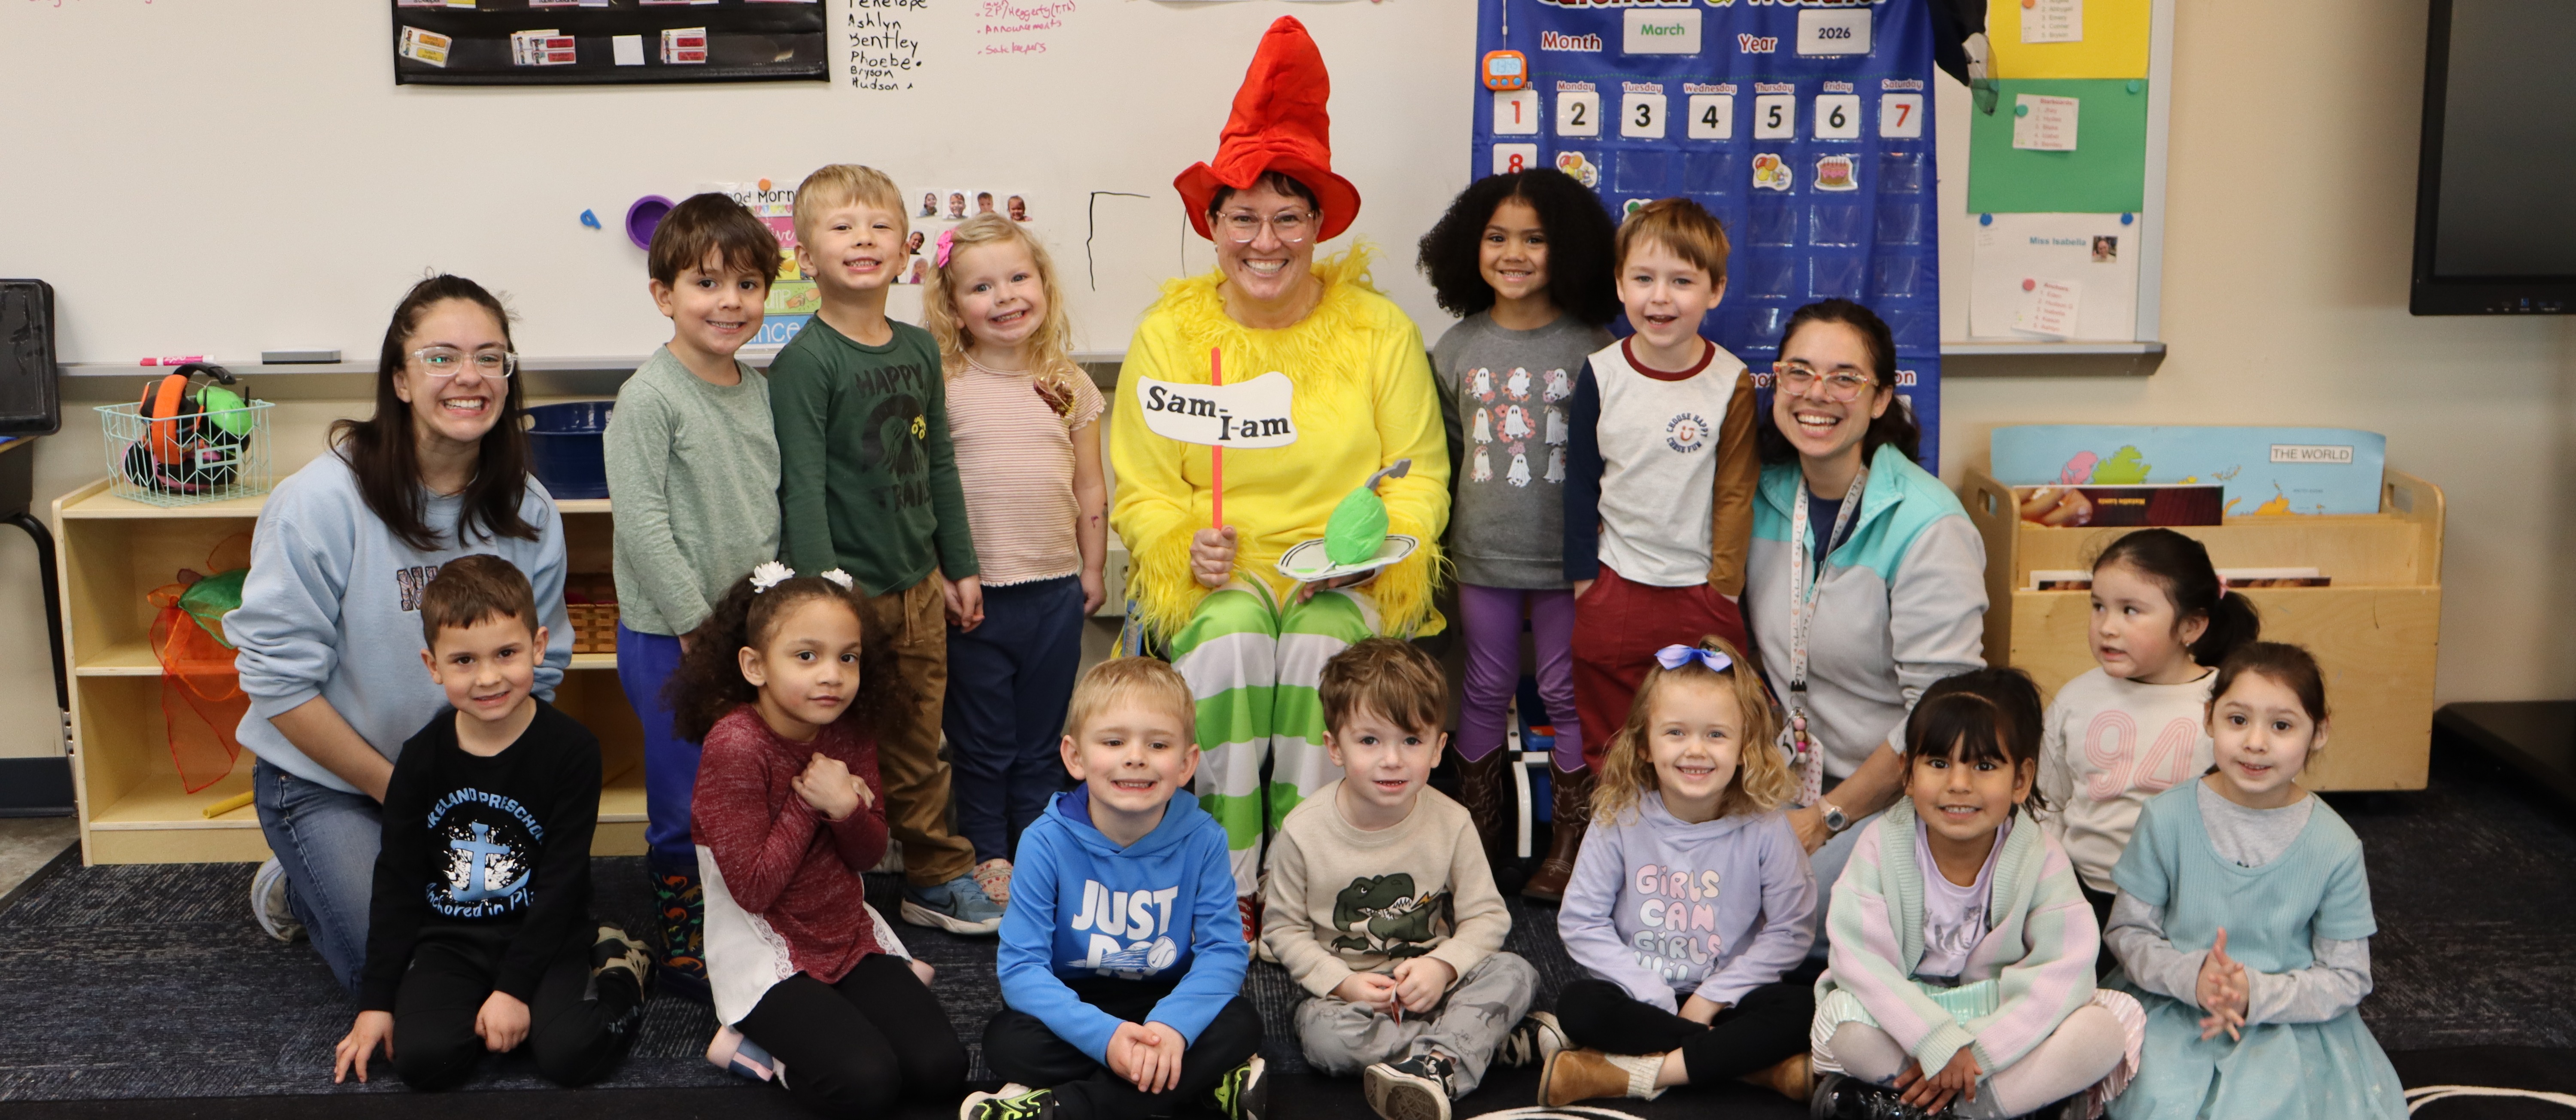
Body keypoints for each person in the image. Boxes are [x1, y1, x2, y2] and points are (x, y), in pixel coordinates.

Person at [1111, 16, 1449, 919]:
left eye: (1288, 216)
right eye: (1244, 217)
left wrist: (1380, 546)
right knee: (1227, 643)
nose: (1267, 240)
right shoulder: (1169, 336)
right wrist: (1183, 542)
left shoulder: (1379, 331)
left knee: (1317, 653)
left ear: (1317, 227)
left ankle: (1311, 878)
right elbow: (1142, 484)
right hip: (1220, 573)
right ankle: (1230, 880)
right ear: (1212, 225)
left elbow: (1417, 471)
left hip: (1340, 569)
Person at [229, 275, 572, 992]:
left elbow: (538, 673)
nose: (470, 377)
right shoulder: (319, 503)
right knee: (413, 982)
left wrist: (484, 790)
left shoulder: (529, 508)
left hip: (467, 775)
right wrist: (408, 797)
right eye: (441, 357)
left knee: (516, 961)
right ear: (400, 379)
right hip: (330, 783)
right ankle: (295, 883)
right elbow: (279, 686)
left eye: (491, 357)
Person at [771, 163, 1001, 934]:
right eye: (841, 228)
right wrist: (826, 602)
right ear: (805, 256)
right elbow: (802, 488)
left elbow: (936, 463)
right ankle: (829, 885)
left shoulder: (918, 347)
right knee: (835, 745)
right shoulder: (807, 362)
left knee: (918, 744)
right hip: (847, 600)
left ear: (906, 248)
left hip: (919, 587)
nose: (862, 240)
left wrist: (959, 564)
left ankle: (934, 877)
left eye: (877, 227)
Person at [330, 557, 649, 1089]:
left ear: (539, 646)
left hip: (547, 934)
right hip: (451, 940)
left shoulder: (572, 751)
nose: (488, 677)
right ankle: (484, 1006)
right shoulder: (420, 758)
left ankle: (623, 967)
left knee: (570, 1055)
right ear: (433, 666)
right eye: (463, 661)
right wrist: (377, 1002)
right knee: (423, 1062)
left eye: (507, 653)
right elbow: (397, 880)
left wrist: (515, 989)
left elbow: (561, 882)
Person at [669, 564, 967, 1117]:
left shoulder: (847, 727)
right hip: (766, 945)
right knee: (869, 1084)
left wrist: (848, 810)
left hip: (843, 931)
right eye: (806, 656)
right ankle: (757, 1049)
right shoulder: (735, 746)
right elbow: (754, 890)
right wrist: (812, 803)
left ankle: (858, 1003)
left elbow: (868, 853)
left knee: (942, 1071)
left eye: (847, 657)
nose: (832, 675)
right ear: (755, 666)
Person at [1741, 299, 1986, 940]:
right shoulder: (1756, 494)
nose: (1817, 394)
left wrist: (1825, 819)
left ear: (1881, 401)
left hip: (1892, 796)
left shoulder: (1928, 525)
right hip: (1781, 778)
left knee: (1781, 920)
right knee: (1675, 899)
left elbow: (1939, 713)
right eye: (1799, 372)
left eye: (1845, 378)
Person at [1808, 669, 2141, 1120]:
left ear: (2021, 780)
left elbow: (2063, 970)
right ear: (1907, 774)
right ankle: (2007, 1107)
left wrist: (1980, 1052)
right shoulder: (1881, 845)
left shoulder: (2040, 855)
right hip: (1911, 1016)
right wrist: (1935, 1042)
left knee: (2106, 1029)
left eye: (1984, 766)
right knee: (1842, 1021)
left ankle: (1950, 1110)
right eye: (1939, 763)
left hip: (2000, 1016)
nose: (1959, 784)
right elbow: (1861, 961)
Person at [604, 192, 785, 1001]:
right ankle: (685, 940)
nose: (730, 302)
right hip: (672, 633)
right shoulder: (650, 397)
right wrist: (693, 622)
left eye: (748, 284)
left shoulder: (757, 387)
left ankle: (744, 917)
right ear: (663, 295)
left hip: (749, 630)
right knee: (684, 794)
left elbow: (765, 503)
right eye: (707, 283)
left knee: (749, 780)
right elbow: (642, 522)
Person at [1415, 168, 1618, 888]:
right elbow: (1444, 453)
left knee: (1566, 693)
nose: (1515, 253)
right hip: (1482, 556)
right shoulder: (1456, 347)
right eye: (1497, 237)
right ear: (1470, 247)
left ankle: (1570, 847)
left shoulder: (1595, 347)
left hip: (1571, 562)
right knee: (1481, 690)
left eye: (1535, 239)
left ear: (1567, 249)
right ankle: (1478, 843)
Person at [1555, 198, 1759, 901]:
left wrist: (1723, 589)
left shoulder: (1728, 380)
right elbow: (1581, 486)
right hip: (1614, 587)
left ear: (1715, 291)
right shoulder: (1602, 373)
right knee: (1614, 745)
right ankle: (1616, 878)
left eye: (1681, 280)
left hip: (1699, 597)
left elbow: (1736, 491)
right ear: (1619, 285)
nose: (1660, 297)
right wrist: (1588, 582)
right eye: (1644, 279)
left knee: (1699, 744)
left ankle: (1698, 880)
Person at [2104, 643, 2406, 1119]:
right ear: (2209, 718)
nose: (2256, 742)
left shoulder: (2336, 846)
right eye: (2238, 720)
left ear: (2320, 731)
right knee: (2155, 1099)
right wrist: (2194, 978)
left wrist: (2253, 994)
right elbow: (2128, 931)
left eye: (2282, 725)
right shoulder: (2166, 818)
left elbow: (2347, 975)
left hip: (2285, 1021)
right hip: (2175, 1007)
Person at [970, 658, 1268, 1120]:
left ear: (1188, 763)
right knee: (1006, 1040)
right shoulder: (1044, 841)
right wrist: (1106, 1039)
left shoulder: (1205, 838)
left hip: (1167, 998)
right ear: (1075, 757)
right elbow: (1022, 968)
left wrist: (1172, 1026)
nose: (1136, 756)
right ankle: (1200, 1084)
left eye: (1158, 743)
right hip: (1078, 1004)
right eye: (1114, 741)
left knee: (1242, 1023)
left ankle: (1066, 1108)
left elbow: (1223, 953)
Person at [1261, 639, 1542, 1120]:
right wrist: (1343, 984)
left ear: (1438, 748)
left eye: (1411, 741)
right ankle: (1467, 1047)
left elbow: (1487, 917)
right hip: (1355, 996)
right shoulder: (1302, 831)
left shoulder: (1452, 820)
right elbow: (1283, 930)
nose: (1392, 759)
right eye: (1369, 741)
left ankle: (1440, 1056)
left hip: (1437, 980)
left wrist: (1444, 967)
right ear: (1335, 748)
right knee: (1325, 1040)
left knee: (1518, 972)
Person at [1541, 637, 1816, 1106]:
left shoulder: (1767, 826)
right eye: (1675, 733)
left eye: (1716, 735)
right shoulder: (1620, 817)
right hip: (1640, 997)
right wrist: (1653, 994)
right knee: (1579, 1006)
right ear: (1645, 744)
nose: (1696, 751)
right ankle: (1752, 1068)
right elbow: (1582, 921)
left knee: (1803, 1007)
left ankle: (1626, 1073)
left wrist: (1712, 997)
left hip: (1726, 1000)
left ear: (1746, 747)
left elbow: (1791, 929)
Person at [925, 213, 1110, 907]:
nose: (1004, 296)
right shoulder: (943, 385)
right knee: (982, 741)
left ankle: (1035, 846)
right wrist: (944, 572)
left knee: (1040, 738)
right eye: (981, 286)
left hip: (1055, 591)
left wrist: (1092, 568)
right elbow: (928, 495)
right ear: (952, 304)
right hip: (976, 597)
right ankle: (987, 851)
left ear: (1043, 285)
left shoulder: (1068, 385)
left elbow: (1090, 485)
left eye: (1018, 277)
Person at [2038, 529, 2260, 960]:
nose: (2107, 626)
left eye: (2131, 611)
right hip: (2084, 895)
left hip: (2184, 904)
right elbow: (2048, 801)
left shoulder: (2225, 705)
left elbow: (2245, 815)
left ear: (2191, 626)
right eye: (2099, 606)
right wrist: (2052, 884)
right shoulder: (2075, 698)